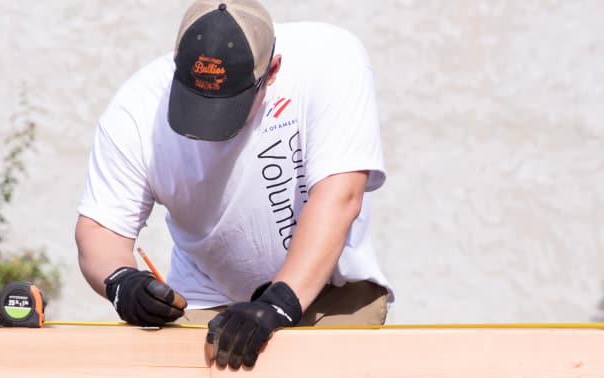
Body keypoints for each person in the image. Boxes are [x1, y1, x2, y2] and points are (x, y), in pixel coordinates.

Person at [74, 0, 392, 369]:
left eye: (229, 106)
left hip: (332, 292)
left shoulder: (330, 59)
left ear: (272, 70)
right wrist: (121, 282)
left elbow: (340, 197)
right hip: (209, 294)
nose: (210, 129)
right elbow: (100, 227)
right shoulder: (136, 110)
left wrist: (278, 302)